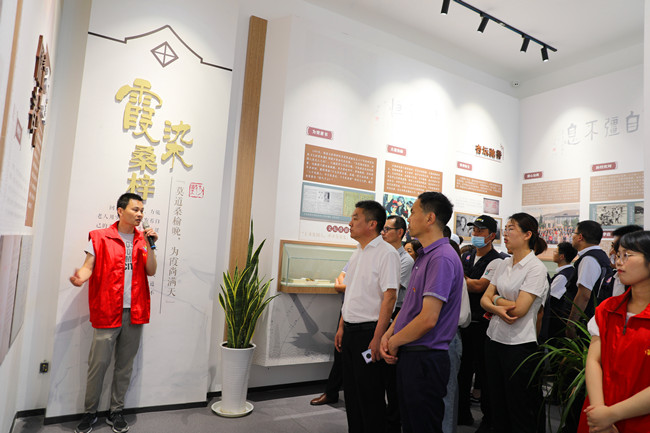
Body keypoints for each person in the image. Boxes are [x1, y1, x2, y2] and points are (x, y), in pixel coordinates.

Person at [70, 193, 158, 433]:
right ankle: (89, 413)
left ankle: (116, 411)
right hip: (107, 309)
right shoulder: (100, 237)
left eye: (142, 210)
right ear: (120, 211)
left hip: (135, 311)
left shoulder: (143, 239)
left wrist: (151, 246)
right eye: (135, 209)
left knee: (125, 366)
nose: (140, 214)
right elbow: (88, 267)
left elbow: (151, 271)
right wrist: (80, 278)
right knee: (98, 365)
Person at [380, 192, 464, 433]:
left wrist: (393, 341)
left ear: (430, 218)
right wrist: (389, 333)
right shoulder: (425, 255)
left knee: (422, 425)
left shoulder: (442, 258)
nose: (409, 217)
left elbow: (428, 319)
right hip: (413, 354)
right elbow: (409, 306)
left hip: (426, 358)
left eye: (413, 212)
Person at [334, 200, 400, 433]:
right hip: (350, 332)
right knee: (352, 394)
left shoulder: (387, 253)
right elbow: (351, 293)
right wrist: (341, 326)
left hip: (369, 333)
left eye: (355, 218)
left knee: (370, 397)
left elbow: (390, 297)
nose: (350, 223)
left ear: (372, 224)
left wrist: (378, 337)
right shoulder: (357, 253)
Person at [480, 213, 549, 433]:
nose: (506, 234)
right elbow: (483, 299)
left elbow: (519, 310)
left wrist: (495, 300)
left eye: (511, 229)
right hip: (494, 338)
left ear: (527, 234)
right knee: (497, 404)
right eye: (506, 229)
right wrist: (496, 302)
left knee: (519, 407)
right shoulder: (503, 264)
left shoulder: (536, 268)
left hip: (519, 345)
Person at [578, 230, 650, 433]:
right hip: (598, 415)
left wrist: (612, 414)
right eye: (618, 255)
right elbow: (594, 361)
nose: (618, 262)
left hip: (640, 420)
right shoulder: (608, 308)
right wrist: (600, 412)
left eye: (627, 255)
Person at [457, 215, 503, 432]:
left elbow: (479, 286)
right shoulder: (467, 256)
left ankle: (489, 418)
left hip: (483, 324)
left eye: (480, 231)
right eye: (473, 230)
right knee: (462, 370)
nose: (475, 234)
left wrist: (461, 279)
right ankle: (462, 413)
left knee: (484, 373)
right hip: (464, 322)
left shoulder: (496, 260)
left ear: (491, 236)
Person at [381, 215, 414, 432]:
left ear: (400, 233)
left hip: (396, 315)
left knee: (392, 375)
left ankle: (394, 421)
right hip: (383, 314)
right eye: (382, 229)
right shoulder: (384, 254)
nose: (383, 233)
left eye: (387, 229)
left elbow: (389, 291)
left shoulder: (405, 260)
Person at [310, 267, 346, 406]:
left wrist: (342, 287)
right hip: (348, 310)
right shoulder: (357, 257)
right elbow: (342, 277)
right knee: (340, 352)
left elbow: (364, 289)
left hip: (368, 316)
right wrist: (343, 287)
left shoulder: (393, 259)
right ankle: (331, 393)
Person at [540, 242, 578, 342]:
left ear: (562, 256)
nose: (553, 254)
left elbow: (551, 299)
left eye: (555, 252)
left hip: (556, 321)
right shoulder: (570, 271)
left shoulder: (562, 276)